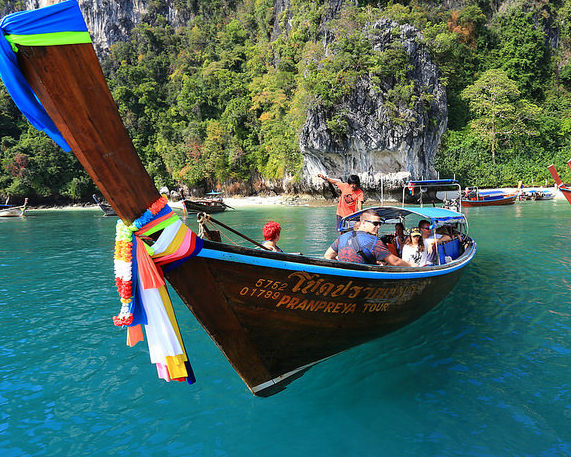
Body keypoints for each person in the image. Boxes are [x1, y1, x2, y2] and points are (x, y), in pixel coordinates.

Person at [324, 210, 411, 266]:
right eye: (375, 224)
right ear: (364, 223)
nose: (379, 227)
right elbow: (395, 262)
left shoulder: (342, 237)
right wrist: (411, 266)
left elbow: (328, 256)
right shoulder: (374, 241)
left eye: (380, 224)